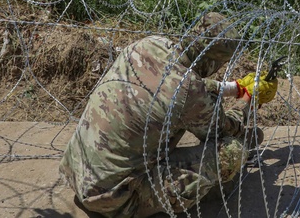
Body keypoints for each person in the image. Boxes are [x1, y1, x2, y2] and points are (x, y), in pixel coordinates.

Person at [60, 12, 277, 218]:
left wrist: (234, 87)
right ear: (213, 62)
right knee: (233, 150)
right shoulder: (188, 92)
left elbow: (178, 83)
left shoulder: (149, 44)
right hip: (115, 198)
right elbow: (223, 130)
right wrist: (250, 100)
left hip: (76, 171)